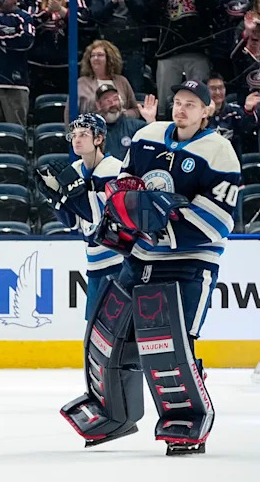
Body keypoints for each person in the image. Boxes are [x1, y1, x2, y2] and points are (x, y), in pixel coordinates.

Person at [60, 79, 240, 456]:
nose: (181, 108)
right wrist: (125, 220)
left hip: (189, 263)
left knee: (173, 347)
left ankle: (185, 421)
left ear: (207, 110)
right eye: (178, 101)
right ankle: (112, 413)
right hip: (140, 258)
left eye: (192, 103)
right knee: (108, 339)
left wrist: (161, 221)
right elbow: (122, 189)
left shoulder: (220, 152)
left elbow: (219, 222)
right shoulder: (147, 135)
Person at [35, 114, 123, 317]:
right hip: (94, 264)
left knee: (117, 328)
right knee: (94, 329)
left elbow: (99, 215)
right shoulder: (75, 170)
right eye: (74, 135)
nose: (77, 139)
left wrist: (73, 192)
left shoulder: (115, 169)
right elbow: (72, 222)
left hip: (119, 262)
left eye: (83, 134)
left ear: (99, 139)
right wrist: (54, 199)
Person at [146, 0, 216, 116]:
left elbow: (211, 9)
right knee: (166, 101)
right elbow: (152, 9)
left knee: (198, 100)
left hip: (197, 49)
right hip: (168, 51)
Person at [89, 0, 147, 94]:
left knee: (134, 90)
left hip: (132, 50)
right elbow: (96, 17)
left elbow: (143, 16)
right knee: (107, 91)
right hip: (108, 51)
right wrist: (113, 2)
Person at [30, 0, 88, 98]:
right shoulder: (35, 2)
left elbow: (84, 21)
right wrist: (47, 13)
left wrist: (61, 11)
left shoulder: (76, 1)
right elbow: (30, 24)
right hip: (39, 64)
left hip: (68, 63)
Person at [76, 39, 140, 117]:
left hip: (121, 127)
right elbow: (69, 113)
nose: (95, 58)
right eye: (92, 55)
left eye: (100, 55)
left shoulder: (122, 81)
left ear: (110, 58)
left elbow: (135, 110)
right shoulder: (81, 83)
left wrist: (122, 115)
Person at [94, 82, 157, 158]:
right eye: (107, 100)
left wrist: (151, 120)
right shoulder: (94, 131)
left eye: (115, 99)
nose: (113, 104)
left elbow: (154, 143)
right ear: (99, 105)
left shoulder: (134, 126)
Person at [204, 72, 258, 157]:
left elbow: (247, 131)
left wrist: (248, 109)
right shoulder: (199, 114)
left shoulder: (234, 110)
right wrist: (208, 117)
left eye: (221, 88)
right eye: (213, 88)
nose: (218, 92)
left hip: (231, 160)